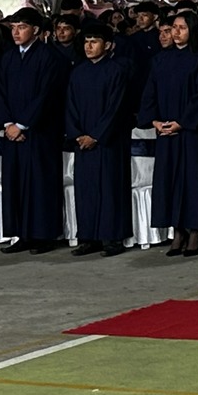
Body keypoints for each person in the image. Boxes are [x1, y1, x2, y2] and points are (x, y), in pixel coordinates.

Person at [0, 7, 68, 254]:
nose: (16, 32)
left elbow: (46, 95)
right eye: (13, 28)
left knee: (40, 183)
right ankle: (22, 234)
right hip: (12, 132)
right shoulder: (8, 57)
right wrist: (7, 124)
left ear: (35, 30)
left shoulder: (50, 57)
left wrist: (23, 124)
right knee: (16, 182)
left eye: (22, 27)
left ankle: (44, 236)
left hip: (40, 132)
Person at [142, 10, 198, 257]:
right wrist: (154, 121)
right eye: (174, 27)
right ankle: (177, 230)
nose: (176, 32)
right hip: (165, 131)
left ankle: (195, 230)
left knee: (193, 179)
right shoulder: (160, 60)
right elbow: (150, 92)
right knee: (168, 178)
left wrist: (182, 122)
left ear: (192, 30)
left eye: (182, 27)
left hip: (192, 132)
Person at [65, 19, 134, 256]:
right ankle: (88, 237)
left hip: (108, 142)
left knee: (110, 189)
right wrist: (77, 134)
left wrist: (96, 135)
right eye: (87, 41)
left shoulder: (116, 71)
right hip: (83, 142)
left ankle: (112, 238)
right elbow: (70, 106)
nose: (89, 46)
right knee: (85, 190)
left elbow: (116, 108)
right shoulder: (78, 72)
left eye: (94, 42)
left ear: (108, 45)